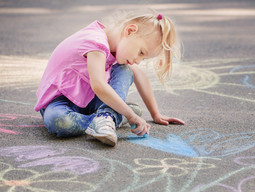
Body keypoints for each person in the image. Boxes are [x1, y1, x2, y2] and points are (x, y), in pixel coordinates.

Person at [34, 9, 185, 146]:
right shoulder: (96, 42)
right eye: (141, 52)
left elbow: (140, 76)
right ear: (130, 31)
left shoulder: (117, 49)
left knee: (125, 69)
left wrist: (156, 114)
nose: (138, 60)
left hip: (88, 100)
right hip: (60, 102)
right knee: (59, 122)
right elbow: (99, 85)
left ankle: (107, 116)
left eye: (143, 58)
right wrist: (130, 115)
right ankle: (110, 117)